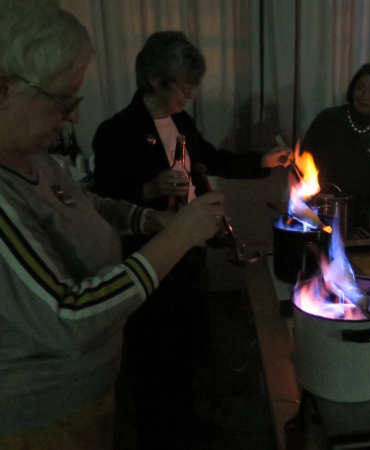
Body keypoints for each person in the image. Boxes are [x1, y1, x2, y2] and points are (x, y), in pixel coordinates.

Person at [0, 2, 225, 449]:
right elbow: (68, 315)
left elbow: (89, 202)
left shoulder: (35, 158)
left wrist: (152, 219)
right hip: (41, 419)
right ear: (3, 90)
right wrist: (178, 233)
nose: (74, 116)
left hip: (88, 394)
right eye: (62, 99)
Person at [91, 31, 291, 449]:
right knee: (155, 353)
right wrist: (147, 188)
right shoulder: (116, 131)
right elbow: (105, 197)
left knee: (188, 345)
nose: (191, 94)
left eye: (194, 85)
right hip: (153, 259)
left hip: (191, 254)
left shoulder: (180, 122)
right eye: (185, 86)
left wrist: (261, 161)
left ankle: (187, 423)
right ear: (155, 80)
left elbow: (210, 158)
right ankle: (157, 435)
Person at [301, 63, 370, 239]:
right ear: (352, 89)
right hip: (320, 212)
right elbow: (302, 161)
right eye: (360, 88)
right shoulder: (328, 119)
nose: (365, 96)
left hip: (357, 219)